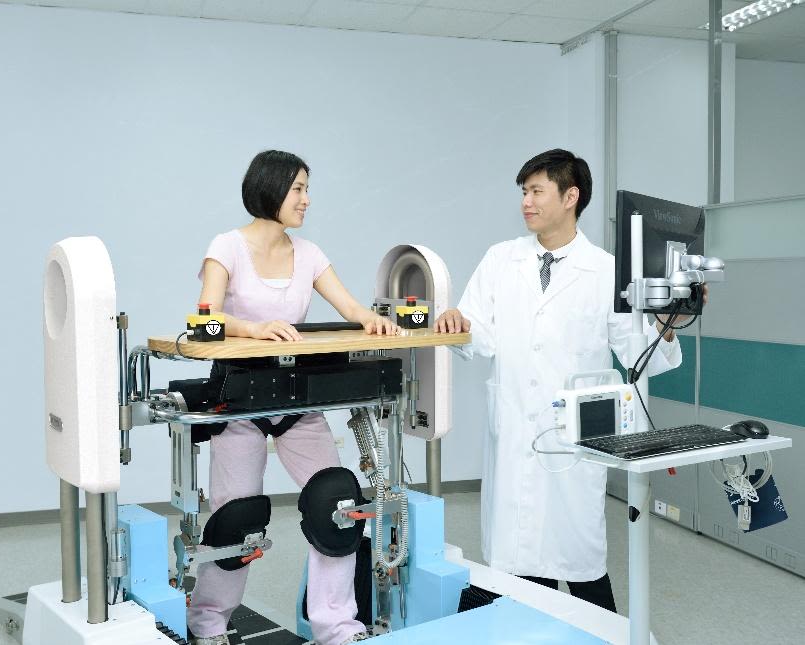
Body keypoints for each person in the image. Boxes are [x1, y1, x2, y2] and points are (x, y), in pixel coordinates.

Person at [434, 149, 693, 612]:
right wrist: (457, 323)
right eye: (524, 192)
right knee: (513, 561)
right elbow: (480, 336)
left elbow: (637, 354)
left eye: (537, 191)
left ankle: (603, 634)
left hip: (573, 439)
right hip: (515, 430)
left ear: (570, 196)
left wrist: (667, 325)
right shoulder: (500, 259)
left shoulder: (607, 270)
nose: (526, 202)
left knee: (578, 556)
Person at [188, 150, 395, 645]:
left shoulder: (310, 254)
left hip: (297, 397)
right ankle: (208, 621)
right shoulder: (227, 247)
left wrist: (374, 320)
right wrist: (254, 328)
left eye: (306, 189)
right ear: (271, 189)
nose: (306, 199)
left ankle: (336, 625)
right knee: (236, 518)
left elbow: (350, 308)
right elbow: (204, 318)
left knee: (337, 501)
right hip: (240, 398)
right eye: (298, 189)